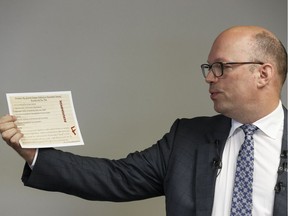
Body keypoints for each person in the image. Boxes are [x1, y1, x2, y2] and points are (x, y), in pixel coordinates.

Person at [0, 25, 287, 216]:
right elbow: (115, 178)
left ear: (263, 74)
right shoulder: (186, 138)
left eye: (221, 67)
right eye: (209, 67)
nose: (209, 77)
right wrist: (33, 154)